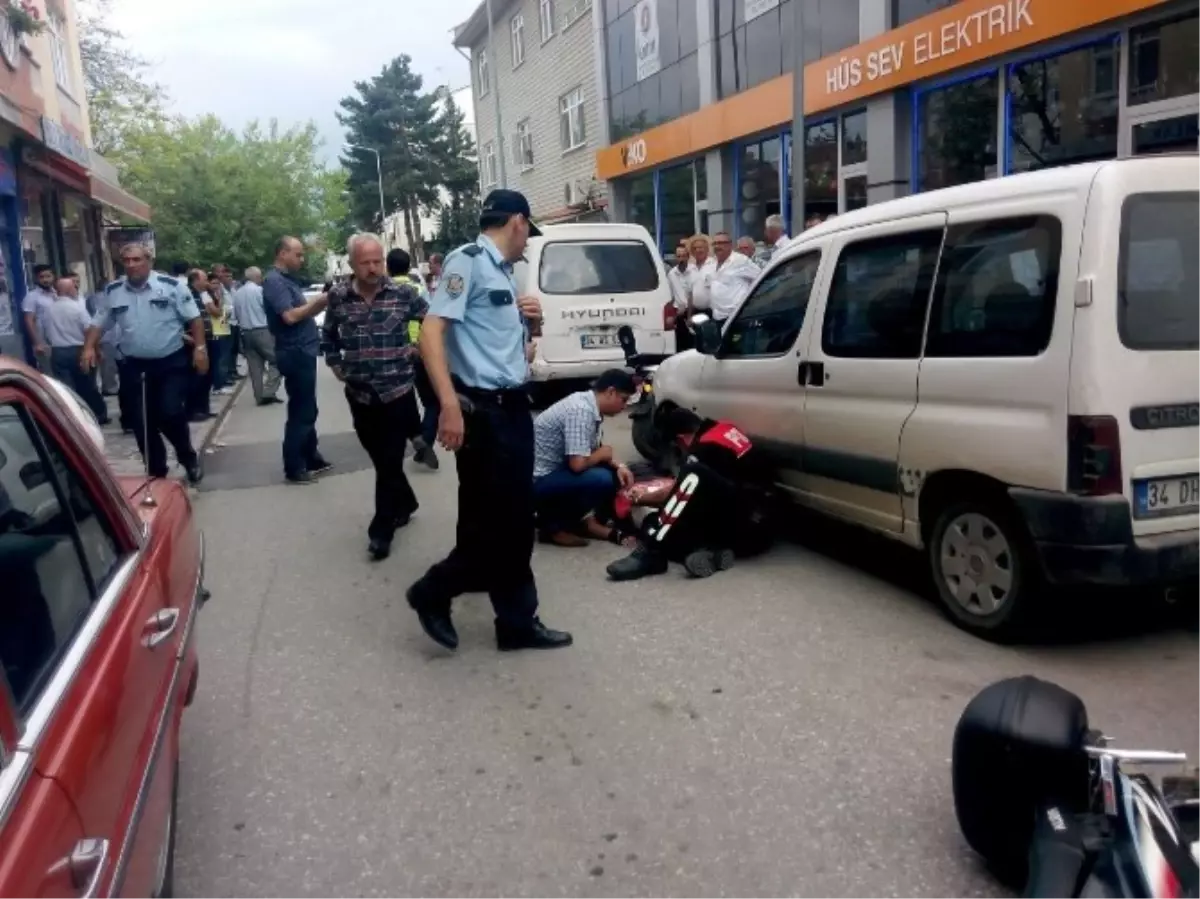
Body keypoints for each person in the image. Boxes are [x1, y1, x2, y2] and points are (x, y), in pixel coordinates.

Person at [406, 188, 572, 653]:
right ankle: (432, 591)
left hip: (513, 406)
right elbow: (432, 334)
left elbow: (503, 350)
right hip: (485, 413)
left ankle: (516, 622)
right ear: (517, 221)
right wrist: (449, 404)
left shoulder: (502, 272)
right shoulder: (468, 260)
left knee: (512, 521)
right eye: (527, 233)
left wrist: (531, 326)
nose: (526, 244)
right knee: (498, 526)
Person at [323, 234, 426, 560]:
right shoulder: (338, 298)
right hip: (360, 395)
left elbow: (434, 322)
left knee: (389, 461)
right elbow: (327, 335)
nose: (373, 268)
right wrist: (335, 362)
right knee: (381, 458)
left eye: (377, 261)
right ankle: (406, 501)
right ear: (352, 264)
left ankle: (381, 531)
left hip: (396, 392)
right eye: (365, 262)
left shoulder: (403, 293)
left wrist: (420, 348)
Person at [81, 243, 205, 484]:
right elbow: (98, 322)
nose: (131, 265)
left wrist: (200, 350)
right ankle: (157, 472)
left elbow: (194, 319)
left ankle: (187, 457)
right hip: (133, 365)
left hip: (170, 362)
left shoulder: (172, 287)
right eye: (126, 261)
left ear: (149, 261)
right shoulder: (114, 291)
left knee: (170, 411)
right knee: (141, 421)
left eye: (137, 260)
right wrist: (88, 347)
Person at [606, 408, 775, 581]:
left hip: (748, 529)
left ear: (680, 439)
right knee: (655, 523)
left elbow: (681, 492)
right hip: (757, 525)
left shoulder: (704, 449)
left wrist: (638, 498)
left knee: (691, 476)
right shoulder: (723, 428)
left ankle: (652, 551)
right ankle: (708, 551)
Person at [532, 369, 637, 547]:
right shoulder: (580, 411)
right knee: (602, 479)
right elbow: (578, 464)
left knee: (612, 472)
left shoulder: (588, 404)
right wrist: (603, 454)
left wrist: (619, 465)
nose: (624, 406)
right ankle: (554, 528)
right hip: (537, 481)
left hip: (555, 473)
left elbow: (591, 451)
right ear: (610, 392)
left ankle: (581, 521)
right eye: (624, 399)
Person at [263, 236, 331, 485]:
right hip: (294, 351)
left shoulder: (285, 281)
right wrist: (321, 302)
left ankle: (310, 456)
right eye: (298, 255)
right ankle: (294, 466)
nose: (302, 259)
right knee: (302, 410)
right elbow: (290, 317)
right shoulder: (274, 281)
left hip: (302, 349)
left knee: (307, 407)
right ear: (282, 253)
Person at [386, 247, 439, 470]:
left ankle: (414, 440)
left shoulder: (383, 289)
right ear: (408, 267)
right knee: (432, 401)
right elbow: (431, 317)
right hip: (419, 351)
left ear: (387, 267)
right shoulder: (418, 287)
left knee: (401, 399)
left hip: (393, 354)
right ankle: (424, 440)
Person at [44, 276, 109, 424]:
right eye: (74, 287)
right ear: (68, 290)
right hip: (80, 350)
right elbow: (89, 331)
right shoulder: (77, 308)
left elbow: (45, 331)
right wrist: (96, 350)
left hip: (58, 352)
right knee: (87, 385)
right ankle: (99, 414)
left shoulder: (49, 309)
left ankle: (75, 419)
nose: (76, 289)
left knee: (67, 389)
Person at [232, 267, 281, 405]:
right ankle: (269, 391)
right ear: (257, 277)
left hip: (245, 332)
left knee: (255, 366)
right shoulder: (260, 291)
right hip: (262, 330)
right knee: (277, 360)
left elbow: (234, 316)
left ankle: (259, 397)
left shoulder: (237, 293)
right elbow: (269, 311)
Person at [709, 231, 761, 324]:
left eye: (721, 243)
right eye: (715, 243)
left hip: (735, 318)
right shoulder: (712, 262)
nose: (717, 246)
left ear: (730, 245)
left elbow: (760, 279)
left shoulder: (740, 260)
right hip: (716, 316)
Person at [186, 270, 216, 420]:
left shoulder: (200, 295)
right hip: (195, 342)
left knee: (206, 377)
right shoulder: (188, 295)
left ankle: (204, 408)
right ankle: (194, 410)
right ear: (195, 280)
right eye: (204, 280)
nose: (207, 283)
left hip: (206, 340)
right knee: (196, 377)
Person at [21, 264, 58, 372]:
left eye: (48, 276)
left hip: (60, 342)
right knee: (49, 375)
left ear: (53, 277)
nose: (46, 280)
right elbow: (29, 320)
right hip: (44, 344)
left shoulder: (57, 294)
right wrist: (37, 343)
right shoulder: (32, 297)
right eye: (42, 277)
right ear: (36, 279)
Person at [207, 276, 235, 394]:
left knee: (224, 357)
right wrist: (221, 302)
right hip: (216, 330)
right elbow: (216, 312)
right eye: (213, 283)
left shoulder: (218, 296)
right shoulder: (208, 297)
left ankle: (221, 382)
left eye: (218, 283)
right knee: (220, 360)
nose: (216, 286)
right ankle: (218, 385)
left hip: (223, 328)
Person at [666, 242, 695, 352]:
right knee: (681, 344)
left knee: (695, 343)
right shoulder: (672, 274)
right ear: (675, 257)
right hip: (678, 313)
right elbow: (670, 295)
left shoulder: (694, 271)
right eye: (679, 256)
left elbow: (691, 294)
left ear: (688, 257)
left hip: (693, 312)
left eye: (683, 256)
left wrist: (689, 316)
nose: (681, 259)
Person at [686, 234, 716, 326]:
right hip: (696, 312)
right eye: (694, 248)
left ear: (707, 249)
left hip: (712, 313)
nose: (698, 250)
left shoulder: (714, 265)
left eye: (700, 247)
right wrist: (689, 316)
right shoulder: (690, 268)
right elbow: (690, 294)